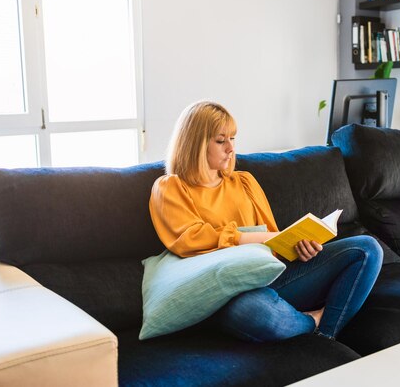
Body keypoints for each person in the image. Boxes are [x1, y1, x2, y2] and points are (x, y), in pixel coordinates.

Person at [149, 100, 383, 342]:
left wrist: (296, 249)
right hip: (227, 290)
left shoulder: (244, 182)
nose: (230, 148)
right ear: (195, 144)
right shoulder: (170, 187)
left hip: (270, 275)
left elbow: (274, 241)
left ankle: (324, 336)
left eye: (233, 138)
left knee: (366, 249)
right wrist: (249, 237)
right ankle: (315, 322)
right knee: (256, 313)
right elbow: (189, 240)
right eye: (221, 140)